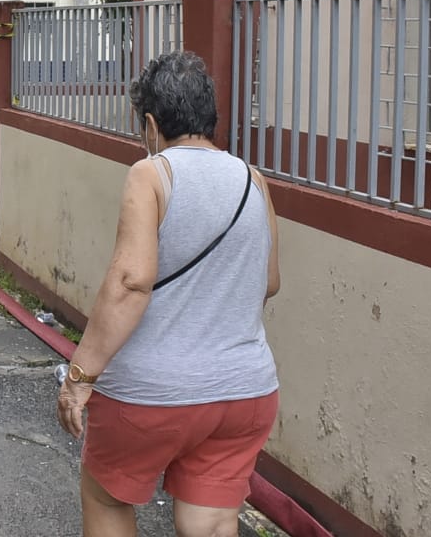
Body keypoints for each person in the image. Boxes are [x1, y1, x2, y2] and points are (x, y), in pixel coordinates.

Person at [56, 51, 281, 537]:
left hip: (151, 394)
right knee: (212, 522)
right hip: (244, 392)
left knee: (106, 495)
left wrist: (80, 376)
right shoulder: (253, 180)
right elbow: (268, 282)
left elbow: (129, 282)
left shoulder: (152, 173)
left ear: (152, 124)